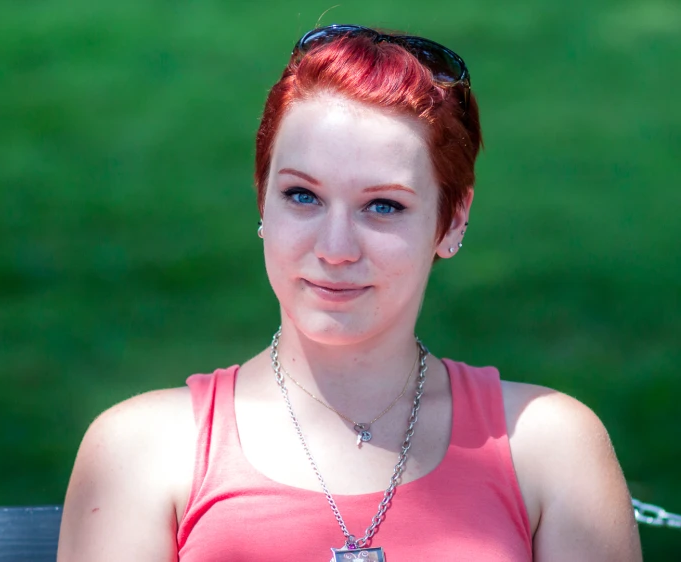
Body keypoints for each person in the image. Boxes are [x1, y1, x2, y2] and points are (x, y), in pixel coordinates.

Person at [57, 24, 643, 562]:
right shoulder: (140, 453)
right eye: (303, 195)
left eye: (382, 205)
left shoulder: (548, 449)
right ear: (263, 197)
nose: (335, 247)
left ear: (453, 220)